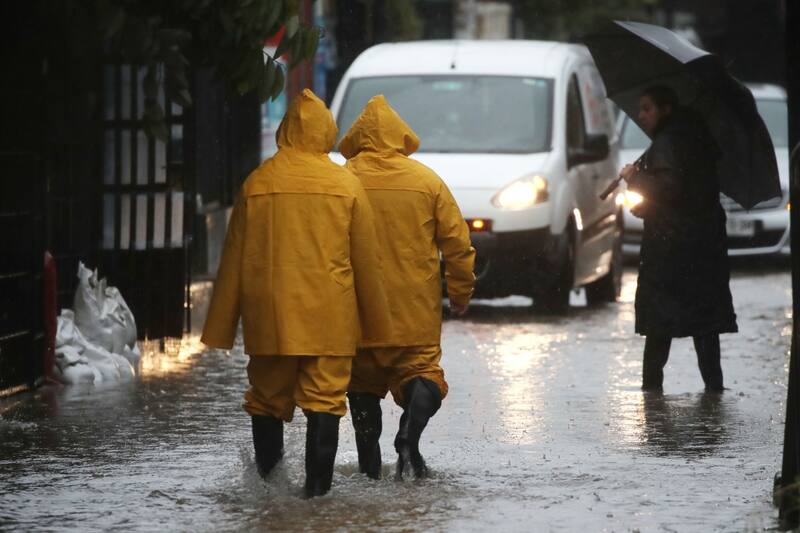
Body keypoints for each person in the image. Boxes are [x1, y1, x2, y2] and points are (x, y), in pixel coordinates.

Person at [200, 89, 392, 497]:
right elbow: (366, 263)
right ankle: (316, 496)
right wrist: (378, 328)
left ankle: (268, 491)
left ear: (285, 132)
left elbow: (233, 261)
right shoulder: (347, 185)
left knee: (266, 399)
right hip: (330, 318)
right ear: (326, 133)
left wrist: (219, 328)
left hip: (269, 318)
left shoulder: (257, 183)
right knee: (325, 401)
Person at [338, 95, 476, 479]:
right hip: (413, 314)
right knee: (424, 375)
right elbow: (458, 245)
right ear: (401, 136)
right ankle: (409, 438)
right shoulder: (426, 181)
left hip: (358, 315)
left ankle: (369, 471)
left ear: (357, 137)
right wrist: (460, 293)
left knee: (362, 388)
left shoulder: (341, 179)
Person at [620, 85, 737, 393]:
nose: (641, 115)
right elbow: (688, 195)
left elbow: (669, 188)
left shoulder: (668, 143)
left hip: (671, 252)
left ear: (666, 109)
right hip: (704, 248)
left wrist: (635, 178)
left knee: (659, 326)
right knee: (705, 325)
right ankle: (714, 395)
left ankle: (651, 400)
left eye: (647, 108)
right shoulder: (697, 139)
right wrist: (647, 207)